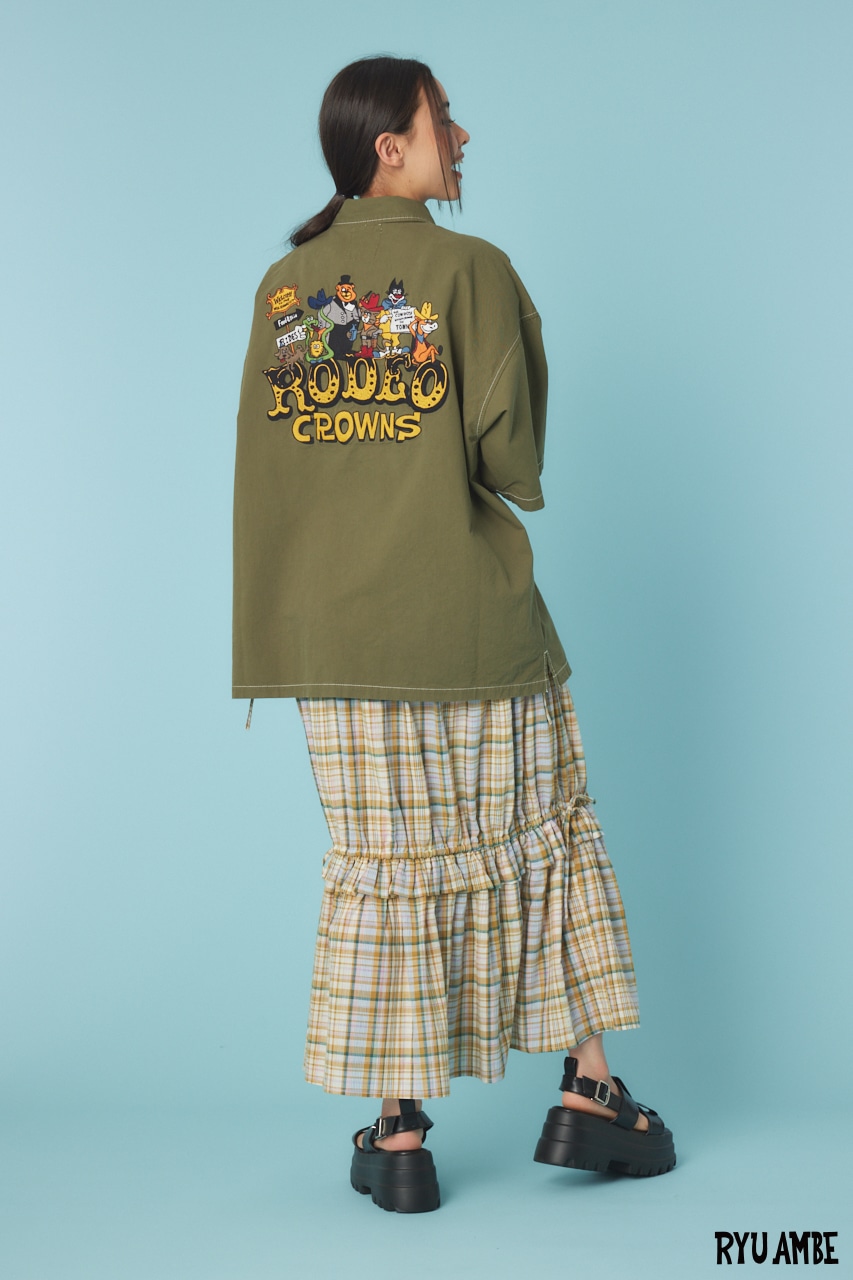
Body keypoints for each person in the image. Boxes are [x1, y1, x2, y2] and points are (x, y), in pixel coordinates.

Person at [233, 54, 675, 1213]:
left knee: (389, 860)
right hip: (467, 622)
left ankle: (398, 1130)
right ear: (391, 146)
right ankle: (590, 1090)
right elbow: (511, 462)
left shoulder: (285, 291)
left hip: (331, 640)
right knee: (540, 830)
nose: (462, 136)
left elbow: (271, 486)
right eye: (443, 119)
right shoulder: (473, 272)